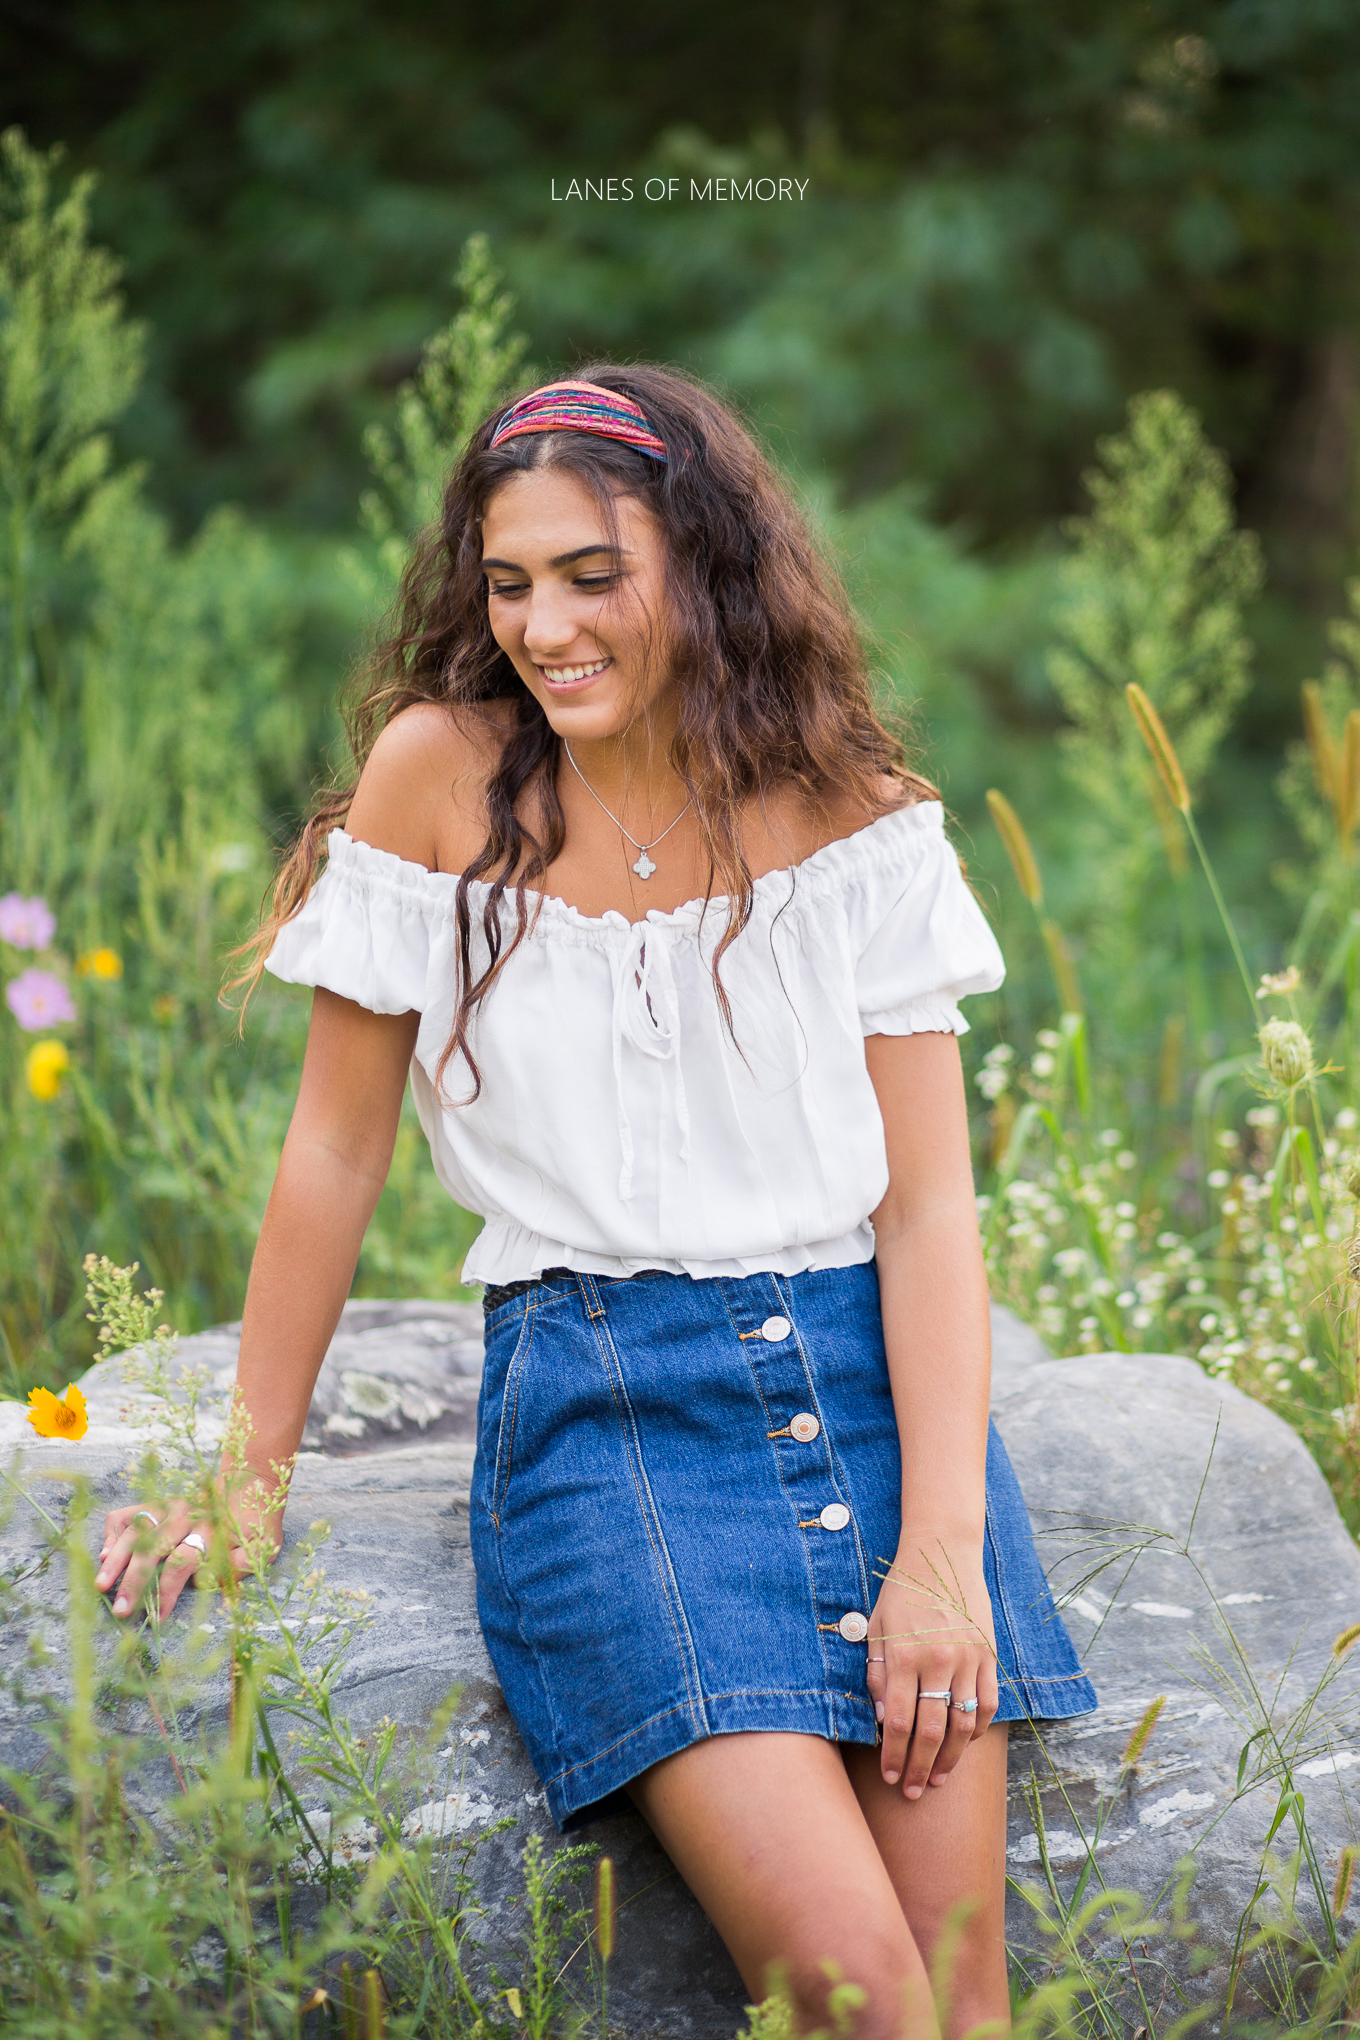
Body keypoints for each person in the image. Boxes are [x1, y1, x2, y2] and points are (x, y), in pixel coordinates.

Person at [95, 368, 1096, 2039]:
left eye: (590, 575)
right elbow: (332, 1154)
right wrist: (242, 1481)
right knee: (864, 2003)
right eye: (509, 583)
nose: (544, 627)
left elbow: (927, 1216)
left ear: (704, 567)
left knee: (967, 2000)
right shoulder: (441, 775)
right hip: (611, 1419)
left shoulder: (856, 812)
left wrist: (945, 1555)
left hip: (865, 1394)